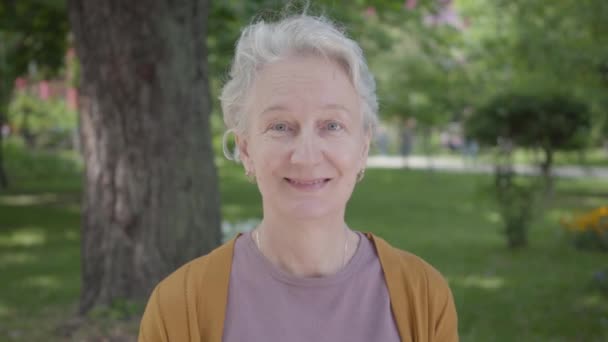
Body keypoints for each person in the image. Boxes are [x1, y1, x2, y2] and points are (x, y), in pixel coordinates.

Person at [139, 13, 458, 342]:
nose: (306, 155)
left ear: (363, 146)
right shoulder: (179, 306)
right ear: (246, 149)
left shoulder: (423, 296)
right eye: (280, 126)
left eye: (332, 125)